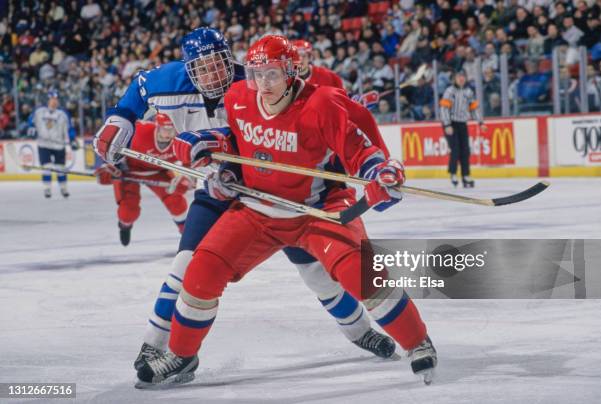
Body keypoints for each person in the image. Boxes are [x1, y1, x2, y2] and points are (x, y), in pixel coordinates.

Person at [136, 35, 437, 388]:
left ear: (291, 72)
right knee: (201, 270)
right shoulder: (237, 98)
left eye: (272, 74)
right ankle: (182, 356)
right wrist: (209, 145)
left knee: (358, 272)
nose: (263, 84)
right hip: (258, 208)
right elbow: (236, 142)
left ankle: (417, 342)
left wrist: (382, 174)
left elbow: (360, 151)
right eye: (255, 74)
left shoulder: (322, 103)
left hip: (317, 208)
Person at [94, 113, 191, 246]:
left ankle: (189, 239)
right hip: (130, 170)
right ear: (157, 125)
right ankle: (125, 226)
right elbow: (112, 145)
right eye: (165, 129)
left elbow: (190, 162)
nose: (169, 134)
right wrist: (111, 167)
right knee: (128, 212)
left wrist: (186, 178)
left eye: (172, 129)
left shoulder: (181, 139)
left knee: (176, 202)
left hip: (159, 172)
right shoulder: (139, 131)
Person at [439, 70, 486, 188]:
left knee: (465, 150)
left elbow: (474, 108)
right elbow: (444, 109)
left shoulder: (468, 92)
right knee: (455, 149)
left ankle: (466, 175)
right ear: (455, 78)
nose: (461, 79)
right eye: (459, 77)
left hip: (462, 123)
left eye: (463, 77)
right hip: (451, 123)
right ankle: (453, 173)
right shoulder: (449, 91)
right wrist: (447, 124)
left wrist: (480, 122)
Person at [28, 90, 78, 198]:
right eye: (52, 99)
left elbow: (70, 128)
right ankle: (47, 189)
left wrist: (73, 139)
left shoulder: (63, 114)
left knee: (61, 168)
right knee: (46, 167)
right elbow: (31, 121)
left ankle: (64, 188)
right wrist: (31, 128)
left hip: (59, 145)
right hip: (43, 144)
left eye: (56, 99)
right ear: (48, 100)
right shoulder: (39, 111)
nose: (54, 101)